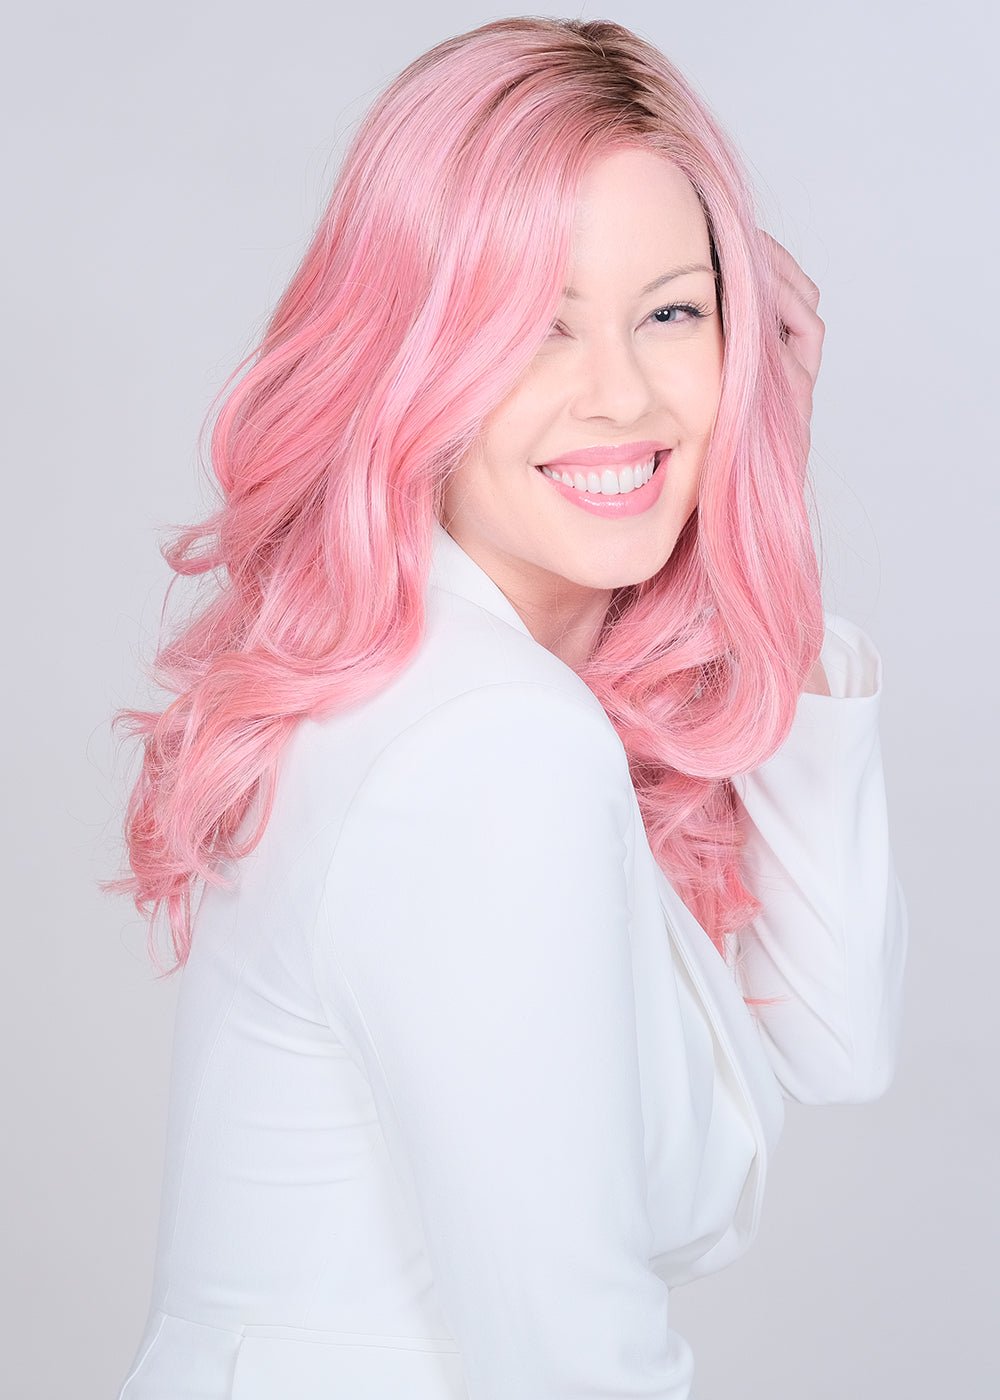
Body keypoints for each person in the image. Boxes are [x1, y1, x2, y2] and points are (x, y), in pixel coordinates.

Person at [107, 16, 908, 1400]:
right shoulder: (488, 743)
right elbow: (571, 1361)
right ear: (407, 358)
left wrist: (761, 487)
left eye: (672, 313)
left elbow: (837, 1043)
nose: (622, 394)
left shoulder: (441, 682)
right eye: (535, 326)